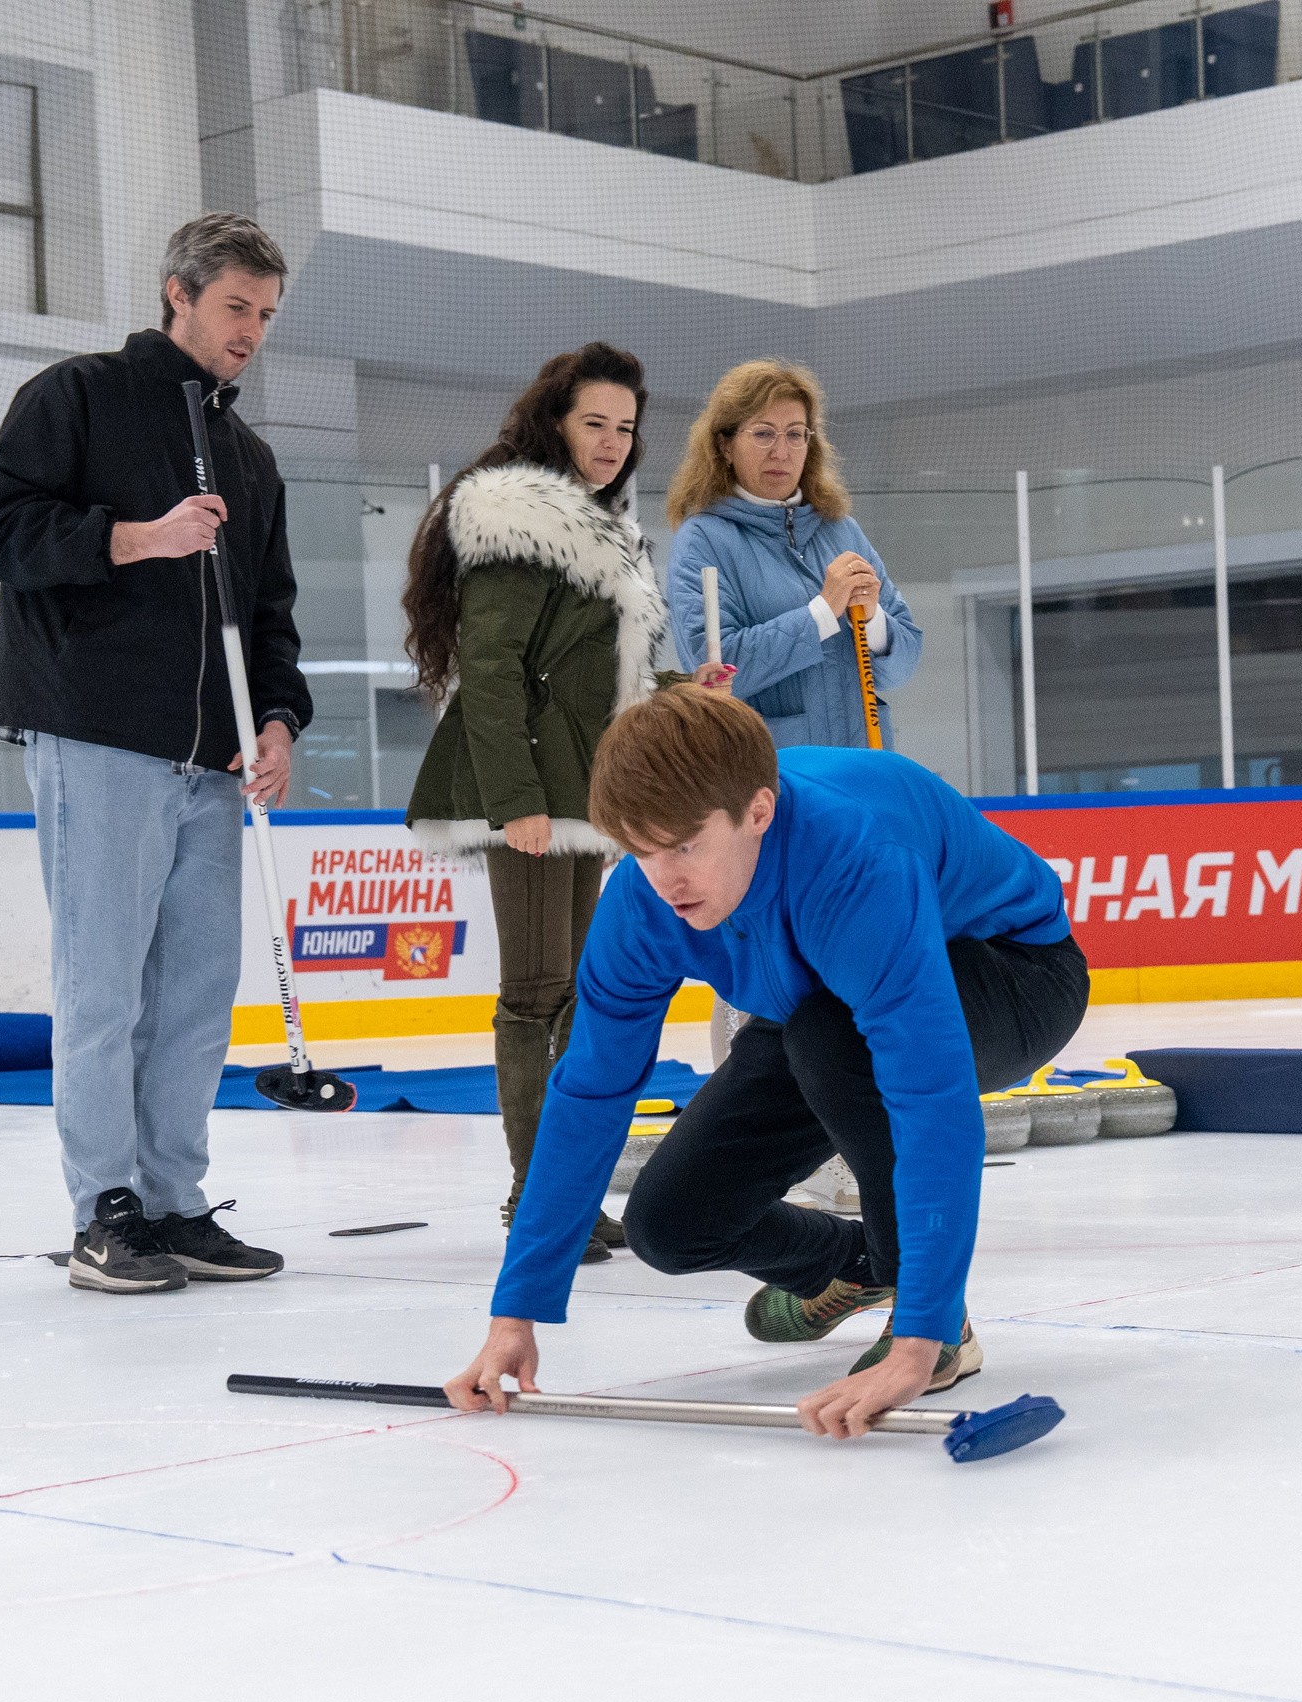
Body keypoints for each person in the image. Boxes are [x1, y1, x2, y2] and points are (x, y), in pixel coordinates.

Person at [444, 687, 1089, 1437]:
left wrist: (921, 1339)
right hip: (818, 1005)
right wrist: (514, 1311)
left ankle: (933, 1311)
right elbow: (590, 1091)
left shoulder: (857, 862)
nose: (665, 880)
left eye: (684, 845)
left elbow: (931, 1096)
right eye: (641, 851)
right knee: (669, 1222)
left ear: (758, 811)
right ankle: (857, 1268)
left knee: (830, 1037)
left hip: (1014, 970)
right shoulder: (643, 902)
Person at [0, 212, 313, 1291]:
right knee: (105, 985)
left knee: (195, 995)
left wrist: (276, 718)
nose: (250, 331)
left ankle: (171, 1200)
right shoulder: (74, 396)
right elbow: (0, 532)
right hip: (97, 734)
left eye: (264, 314)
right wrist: (137, 537)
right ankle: (102, 1207)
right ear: (178, 294)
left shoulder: (251, 458)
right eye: (233, 308)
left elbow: (269, 613)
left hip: (210, 760)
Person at [402, 344, 731, 1263]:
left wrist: (684, 688)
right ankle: (535, 1197)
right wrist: (515, 804)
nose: (612, 441)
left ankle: (566, 1190)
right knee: (537, 990)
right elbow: (493, 668)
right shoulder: (517, 520)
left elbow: (607, 673)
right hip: (531, 793)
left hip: (585, 788)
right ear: (555, 421)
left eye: (625, 428)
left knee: (578, 993)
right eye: (595, 422)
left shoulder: (601, 527)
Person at [664, 359, 921, 748]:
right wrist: (821, 611)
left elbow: (901, 668)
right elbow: (715, 671)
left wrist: (874, 621)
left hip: (866, 763)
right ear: (724, 444)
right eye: (763, 434)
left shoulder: (841, 528)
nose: (781, 452)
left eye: (795, 434)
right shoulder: (703, 538)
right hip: (773, 774)